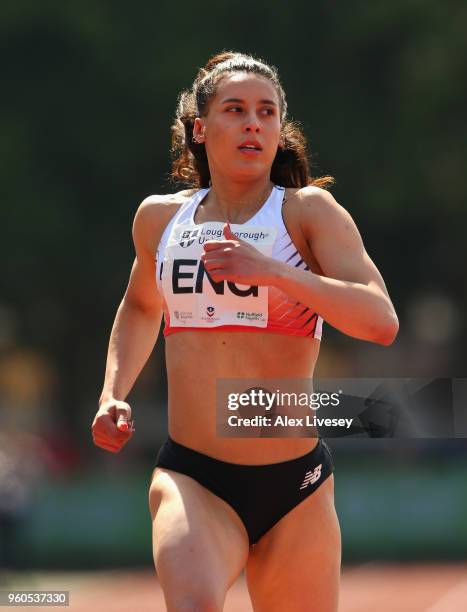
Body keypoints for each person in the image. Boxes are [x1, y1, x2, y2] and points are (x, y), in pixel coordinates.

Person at [92, 51, 399, 612]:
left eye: (267, 112)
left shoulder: (307, 214)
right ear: (201, 128)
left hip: (297, 488)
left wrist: (276, 272)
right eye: (235, 110)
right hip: (195, 477)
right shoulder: (161, 220)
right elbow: (140, 308)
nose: (253, 122)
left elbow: (380, 321)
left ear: (281, 130)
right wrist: (113, 393)